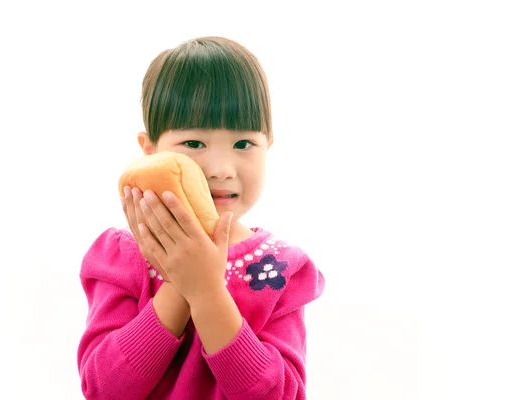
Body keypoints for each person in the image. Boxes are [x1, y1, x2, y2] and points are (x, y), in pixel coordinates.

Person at [77, 36, 325, 400]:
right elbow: (103, 389)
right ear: (150, 151)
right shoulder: (121, 256)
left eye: (243, 145)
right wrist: (182, 283)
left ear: (267, 148)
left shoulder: (280, 268)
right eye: (194, 144)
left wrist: (206, 291)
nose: (222, 169)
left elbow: (279, 394)